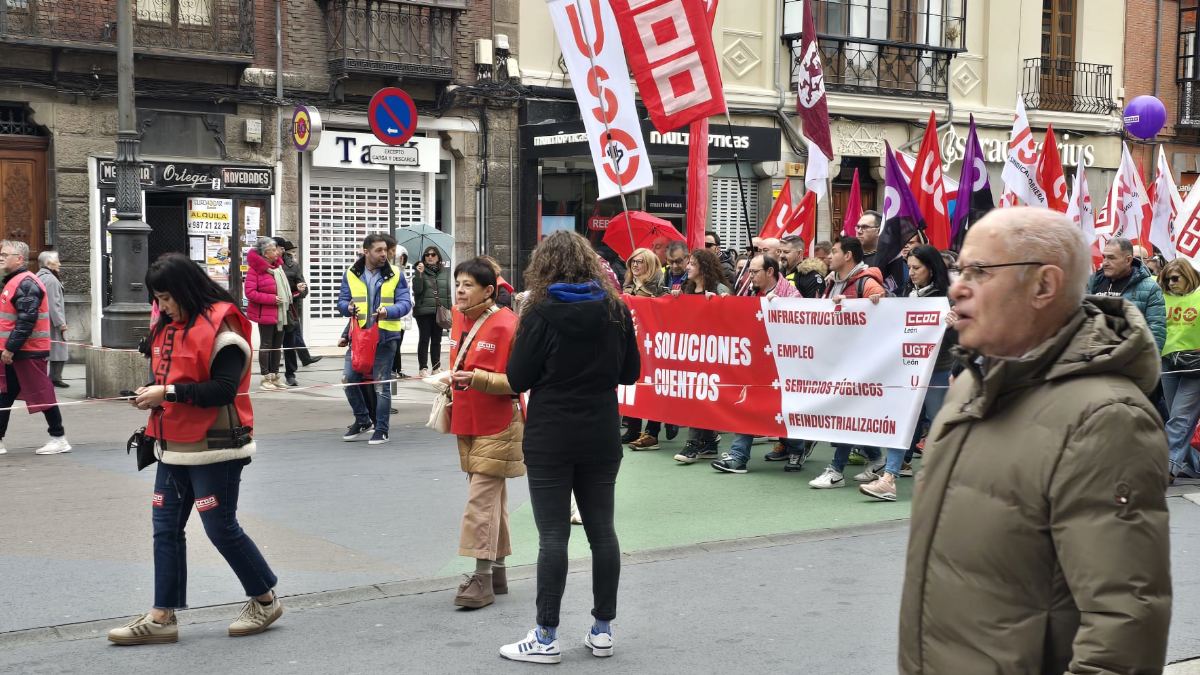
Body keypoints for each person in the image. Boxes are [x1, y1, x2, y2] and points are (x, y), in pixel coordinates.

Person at [899, 208, 1171, 673]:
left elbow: (1124, 625)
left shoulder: (1105, 419)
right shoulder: (975, 382)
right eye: (959, 269)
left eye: (979, 271)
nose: (957, 287)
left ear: (1044, 286)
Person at [108, 253, 281, 645]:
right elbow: (171, 376)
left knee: (220, 528)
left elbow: (223, 390)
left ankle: (265, 600)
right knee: (165, 528)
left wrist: (165, 392)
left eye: (167, 298)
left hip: (215, 448)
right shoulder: (168, 326)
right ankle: (161, 616)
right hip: (171, 446)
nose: (163, 306)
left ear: (185, 289)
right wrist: (149, 395)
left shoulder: (225, 329)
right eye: (158, 299)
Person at [501, 231, 639, 663]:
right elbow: (631, 372)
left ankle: (545, 636)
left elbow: (517, 378)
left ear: (543, 265)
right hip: (600, 430)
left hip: (551, 433)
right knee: (603, 532)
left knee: (554, 535)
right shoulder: (616, 308)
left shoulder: (538, 309)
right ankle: (602, 629)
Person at [448, 258, 523, 610]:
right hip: (469, 419)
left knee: (480, 501)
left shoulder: (507, 324)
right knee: (494, 500)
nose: (460, 291)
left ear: (489, 290)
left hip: (499, 422)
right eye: (458, 283)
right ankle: (497, 571)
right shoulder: (461, 318)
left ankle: (480, 578)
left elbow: (519, 382)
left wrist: (475, 378)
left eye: (468, 285)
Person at [860, 245, 955, 501]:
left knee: (939, 426)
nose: (911, 273)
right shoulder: (907, 293)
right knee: (901, 420)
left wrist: (955, 326)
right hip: (910, 370)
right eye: (909, 268)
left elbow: (969, 332)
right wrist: (878, 303)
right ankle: (889, 478)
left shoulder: (950, 297)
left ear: (932, 268)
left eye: (917, 268)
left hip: (939, 370)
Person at [711, 254, 807, 475]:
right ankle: (738, 456)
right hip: (754, 361)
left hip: (782, 364)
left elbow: (803, 326)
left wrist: (783, 308)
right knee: (746, 404)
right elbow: (736, 313)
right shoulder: (749, 290)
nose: (749, 276)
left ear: (770, 272)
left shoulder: (791, 295)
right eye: (749, 272)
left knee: (784, 408)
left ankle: (796, 448)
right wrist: (721, 303)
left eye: (754, 272)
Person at [809, 237, 887, 489]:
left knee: (846, 414)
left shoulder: (867, 282)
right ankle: (876, 459)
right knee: (852, 414)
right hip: (838, 360)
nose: (828, 257)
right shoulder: (833, 283)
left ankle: (836, 470)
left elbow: (885, 307)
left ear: (848, 256)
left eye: (833, 252)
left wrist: (865, 304)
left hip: (860, 363)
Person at [337, 234, 413, 445]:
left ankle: (382, 429)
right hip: (359, 337)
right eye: (378, 250)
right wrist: (348, 308)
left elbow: (406, 303)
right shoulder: (351, 274)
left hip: (385, 337)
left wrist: (388, 311)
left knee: (381, 385)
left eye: (385, 250)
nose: (384, 254)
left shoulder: (396, 274)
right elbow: (342, 302)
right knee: (349, 378)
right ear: (366, 251)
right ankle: (362, 419)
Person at [0, 240, 71, 456]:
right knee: (5, 394)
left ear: (19, 259)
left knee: (42, 393)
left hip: (27, 352)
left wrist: (10, 348)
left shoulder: (26, 282)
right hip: (18, 351)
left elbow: (26, 320)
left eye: (5, 254)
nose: (1, 257)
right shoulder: (16, 281)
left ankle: (59, 438)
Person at [672, 248, 731, 465]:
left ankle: (692, 445)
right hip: (692, 353)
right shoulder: (686, 288)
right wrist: (676, 301)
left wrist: (719, 302)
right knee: (697, 397)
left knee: (699, 397)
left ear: (703, 268)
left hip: (713, 354)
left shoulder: (719, 289)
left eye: (692, 264)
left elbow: (733, 319)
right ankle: (710, 441)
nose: (687, 267)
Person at [620, 248, 667, 450]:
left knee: (651, 387)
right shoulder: (627, 287)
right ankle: (632, 428)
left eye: (640, 261)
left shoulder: (659, 290)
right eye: (632, 262)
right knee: (632, 384)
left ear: (649, 264)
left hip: (651, 346)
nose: (635, 265)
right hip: (631, 344)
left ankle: (652, 431)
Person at [1158, 258, 1200, 482]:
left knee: (1180, 418)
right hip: (1169, 362)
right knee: (1179, 417)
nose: (1171, 283)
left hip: (1196, 364)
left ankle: (1166, 467)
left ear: (1188, 275)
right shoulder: (1161, 297)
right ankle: (1192, 465)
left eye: (1175, 278)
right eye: (1167, 279)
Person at [1088, 237, 1166, 351]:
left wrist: (1142, 363)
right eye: (1104, 257)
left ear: (1128, 260)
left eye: (1111, 258)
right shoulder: (1092, 283)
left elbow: (1156, 332)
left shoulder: (1150, 288)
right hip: (1095, 360)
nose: (1105, 263)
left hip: (1129, 361)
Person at [243, 238, 291, 391]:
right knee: (266, 345)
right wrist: (271, 299)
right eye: (273, 249)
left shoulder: (278, 269)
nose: (277, 252)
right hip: (265, 313)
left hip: (280, 313)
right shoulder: (255, 270)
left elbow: (284, 289)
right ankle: (265, 378)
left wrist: (296, 290)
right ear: (265, 253)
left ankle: (275, 376)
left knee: (277, 346)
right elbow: (249, 293)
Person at [412, 245, 452, 377]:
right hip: (423, 311)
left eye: (433, 255)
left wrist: (450, 309)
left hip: (439, 311)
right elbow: (417, 290)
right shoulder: (419, 271)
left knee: (437, 340)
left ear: (438, 257)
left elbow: (447, 293)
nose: (430, 257)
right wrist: (419, 273)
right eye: (427, 255)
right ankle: (423, 368)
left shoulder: (444, 272)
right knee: (424, 339)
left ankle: (436, 367)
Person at [35, 251, 69, 388]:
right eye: (57, 261)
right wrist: (61, 324)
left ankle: (51, 378)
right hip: (52, 322)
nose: (59, 263)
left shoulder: (38, 277)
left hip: (43, 321)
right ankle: (55, 378)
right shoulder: (51, 280)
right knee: (59, 349)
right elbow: (54, 304)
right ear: (49, 263)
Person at [857, 210, 906, 292]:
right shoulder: (851, 257)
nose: (859, 231)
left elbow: (893, 288)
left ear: (878, 231)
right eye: (858, 227)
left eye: (864, 227)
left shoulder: (891, 258)